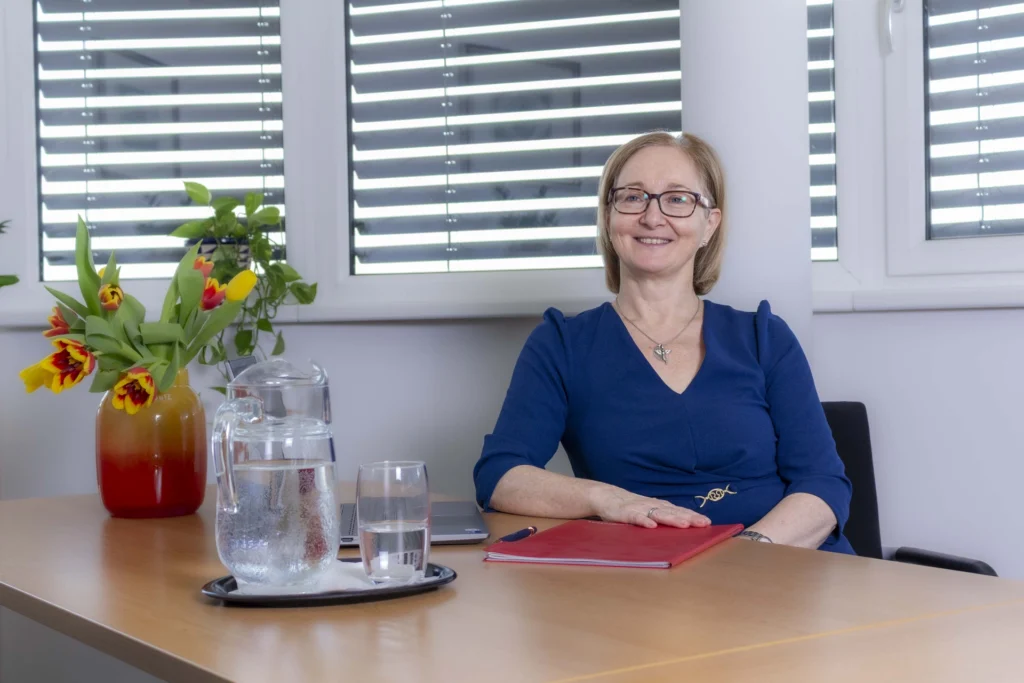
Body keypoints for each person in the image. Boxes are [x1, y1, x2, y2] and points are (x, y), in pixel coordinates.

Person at [472, 131, 854, 554]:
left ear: (709, 224)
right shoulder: (562, 344)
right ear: (609, 216)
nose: (652, 217)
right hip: (652, 576)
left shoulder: (765, 337)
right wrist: (607, 499)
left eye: (677, 199)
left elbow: (823, 484)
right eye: (633, 197)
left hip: (786, 561)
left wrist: (747, 554)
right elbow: (500, 476)